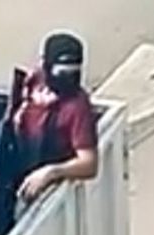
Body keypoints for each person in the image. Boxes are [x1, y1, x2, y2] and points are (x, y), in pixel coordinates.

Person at [14, 31, 99, 204]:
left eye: (75, 72)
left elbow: (89, 163)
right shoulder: (34, 81)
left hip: (39, 191)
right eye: (62, 72)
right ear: (45, 65)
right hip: (16, 162)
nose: (69, 79)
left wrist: (51, 172)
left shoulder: (77, 107)